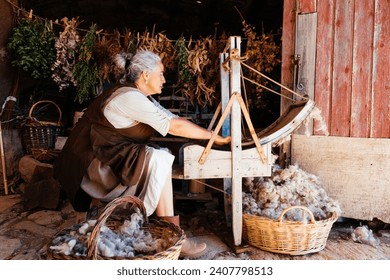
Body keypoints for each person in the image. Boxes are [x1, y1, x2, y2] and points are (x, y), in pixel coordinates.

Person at [53, 50, 231, 259]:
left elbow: (169, 117)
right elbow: (175, 127)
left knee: (160, 156)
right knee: (160, 159)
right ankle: (174, 235)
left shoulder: (138, 96)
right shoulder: (129, 98)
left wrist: (208, 136)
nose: (164, 79)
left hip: (106, 155)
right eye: (161, 74)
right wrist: (214, 137)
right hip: (92, 165)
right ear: (146, 75)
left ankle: (172, 234)